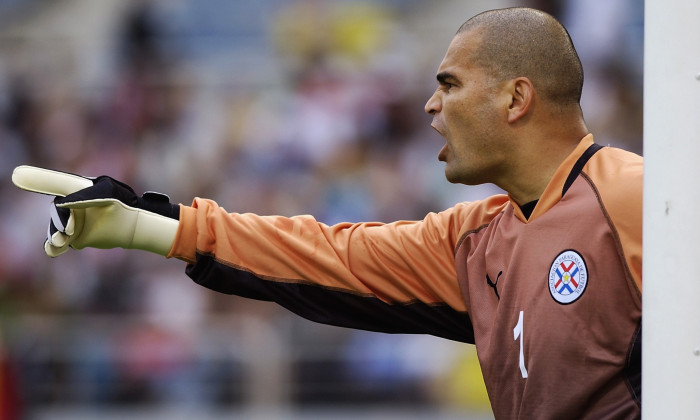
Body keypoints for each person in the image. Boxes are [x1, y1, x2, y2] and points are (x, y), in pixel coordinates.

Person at [13, 7, 642, 419]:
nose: (430, 105)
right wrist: (153, 226)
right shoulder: (475, 239)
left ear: (516, 97)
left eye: (449, 83)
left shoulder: (638, 198)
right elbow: (325, 253)